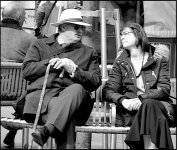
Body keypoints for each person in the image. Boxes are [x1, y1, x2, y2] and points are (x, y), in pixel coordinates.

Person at [22, 8, 101, 148]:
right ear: (63, 27)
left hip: (75, 103)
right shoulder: (39, 44)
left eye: (82, 28)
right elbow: (27, 71)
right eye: (76, 27)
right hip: (41, 103)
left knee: (76, 89)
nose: (80, 31)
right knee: (67, 116)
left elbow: (95, 81)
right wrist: (52, 63)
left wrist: (74, 70)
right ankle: (47, 130)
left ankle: (46, 131)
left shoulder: (89, 52)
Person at [102, 22, 174, 149]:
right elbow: (108, 90)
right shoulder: (120, 63)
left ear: (138, 34)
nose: (122, 37)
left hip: (158, 107)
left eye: (126, 34)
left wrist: (142, 99)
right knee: (156, 116)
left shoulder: (159, 59)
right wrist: (124, 101)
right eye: (121, 34)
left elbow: (164, 89)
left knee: (148, 104)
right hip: (132, 113)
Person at [1, 1, 36, 147]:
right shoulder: (31, 40)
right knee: (33, 85)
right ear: (20, 18)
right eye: (25, 17)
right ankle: (14, 127)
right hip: (17, 92)